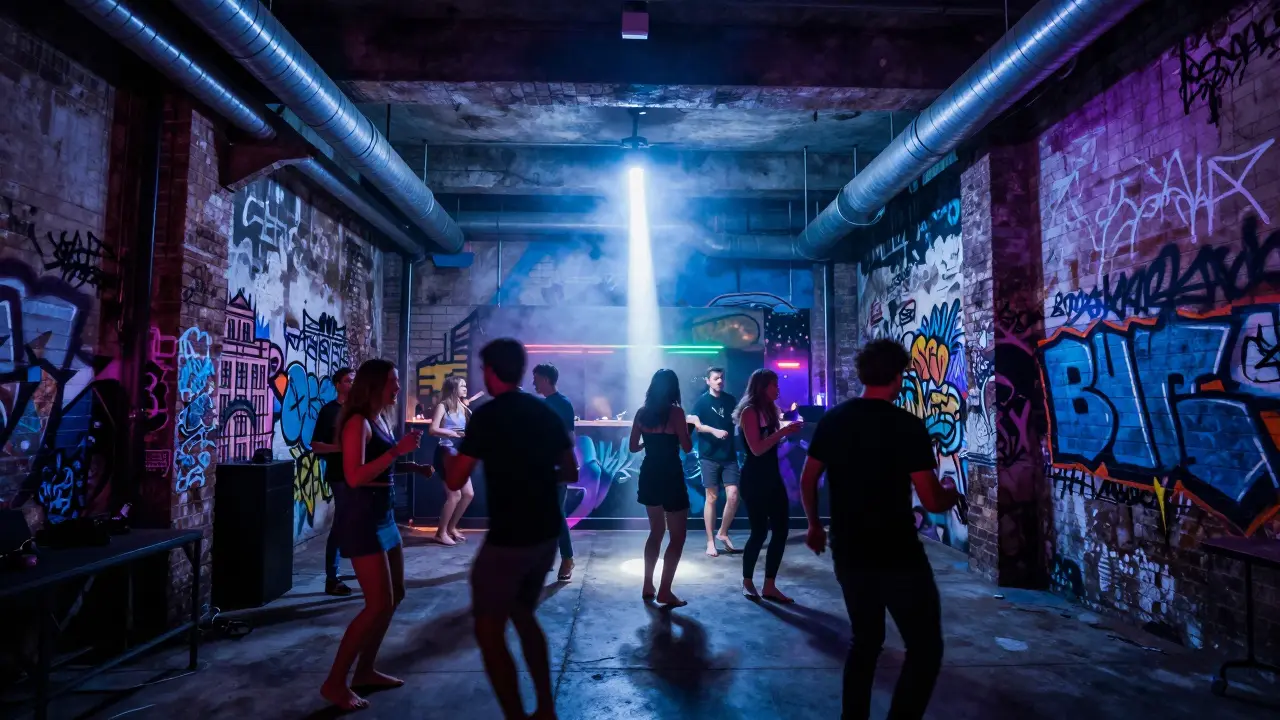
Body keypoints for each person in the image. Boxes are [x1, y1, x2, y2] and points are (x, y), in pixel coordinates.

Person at [800, 339, 960, 720]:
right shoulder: (907, 426)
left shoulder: (834, 421)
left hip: (850, 549)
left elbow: (809, 479)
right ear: (897, 377)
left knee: (866, 642)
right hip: (898, 553)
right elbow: (932, 499)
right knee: (925, 648)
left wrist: (813, 526)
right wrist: (951, 495)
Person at [443, 339, 579, 720]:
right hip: (545, 535)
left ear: (490, 371)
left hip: (508, 538)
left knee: (488, 629)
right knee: (523, 615)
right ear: (522, 370)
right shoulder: (545, 412)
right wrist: (534, 472)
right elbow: (570, 471)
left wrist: (451, 451)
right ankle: (546, 708)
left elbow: (455, 480)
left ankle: (517, 716)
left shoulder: (487, 416)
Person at [320, 359, 426, 711]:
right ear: (376, 384)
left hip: (384, 516)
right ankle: (335, 683)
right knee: (377, 603)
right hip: (363, 518)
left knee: (395, 596)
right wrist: (398, 451)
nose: (398, 387)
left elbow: (382, 462)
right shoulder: (357, 422)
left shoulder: (380, 418)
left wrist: (409, 463)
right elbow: (353, 476)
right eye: (393, 382)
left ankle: (364, 670)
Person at [736, 369, 804, 602]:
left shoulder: (770, 411)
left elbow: (771, 447)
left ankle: (769, 585)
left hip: (772, 477)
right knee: (759, 532)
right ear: (761, 387)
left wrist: (788, 434)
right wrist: (783, 431)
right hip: (754, 479)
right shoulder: (749, 412)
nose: (778, 389)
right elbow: (757, 449)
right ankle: (747, 582)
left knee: (781, 530)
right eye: (774, 385)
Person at [630, 368, 694, 607]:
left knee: (656, 531)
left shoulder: (642, 413)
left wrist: (650, 444)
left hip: (649, 474)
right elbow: (687, 447)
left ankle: (648, 584)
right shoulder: (676, 413)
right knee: (677, 537)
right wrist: (687, 432)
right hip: (671, 476)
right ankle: (665, 591)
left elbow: (633, 447)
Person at [312, 367, 354, 597]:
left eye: (354, 381)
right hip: (339, 474)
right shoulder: (329, 411)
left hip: (362, 473)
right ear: (338, 384)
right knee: (341, 523)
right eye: (348, 381)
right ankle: (332, 577)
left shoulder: (360, 411)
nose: (352, 385)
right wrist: (340, 448)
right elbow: (316, 445)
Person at [532, 363, 577, 582]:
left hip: (557, 465)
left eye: (537, 378)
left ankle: (567, 558)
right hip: (541, 465)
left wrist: (568, 463)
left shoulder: (562, 404)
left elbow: (569, 436)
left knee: (557, 513)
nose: (534, 383)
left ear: (547, 380)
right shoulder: (541, 404)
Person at [691, 366, 741, 557]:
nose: (719, 381)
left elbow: (739, 418)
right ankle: (710, 542)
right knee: (711, 497)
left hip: (728, 456)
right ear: (708, 381)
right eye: (716, 378)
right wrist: (714, 430)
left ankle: (723, 532)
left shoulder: (730, 400)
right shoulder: (702, 402)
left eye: (721, 378)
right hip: (709, 456)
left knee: (734, 495)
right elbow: (695, 424)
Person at [430, 376, 476, 546]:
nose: (465, 388)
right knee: (454, 495)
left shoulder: (463, 407)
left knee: (468, 494)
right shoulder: (443, 406)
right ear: (454, 388)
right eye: (462, 386)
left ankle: (451, 527)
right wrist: (452, 433)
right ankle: (440, 533)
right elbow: (433, 429)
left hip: (458, 453)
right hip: (445, 452)